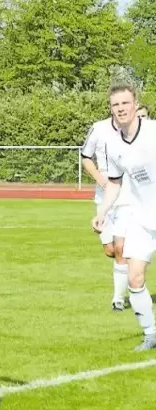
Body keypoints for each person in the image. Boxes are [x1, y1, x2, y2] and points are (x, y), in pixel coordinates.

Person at [94, 83, 156, 351]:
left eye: (125, 103)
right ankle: (151, 335)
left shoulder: (153, 132)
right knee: (135, 278)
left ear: (135, 104)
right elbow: (115, 184)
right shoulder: (111, 143)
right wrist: (102, 212)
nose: (120, 108)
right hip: (142, 217)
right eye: (115, 105)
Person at [81, 113, 134, 311]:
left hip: (128, 195)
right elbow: (86, 156)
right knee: (110, 250)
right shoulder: (99, 128)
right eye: (116, 105)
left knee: (121, 248)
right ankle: (128, 270)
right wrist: (99, 178)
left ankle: (118, 298)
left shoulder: (137, 130)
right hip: (104, 194)